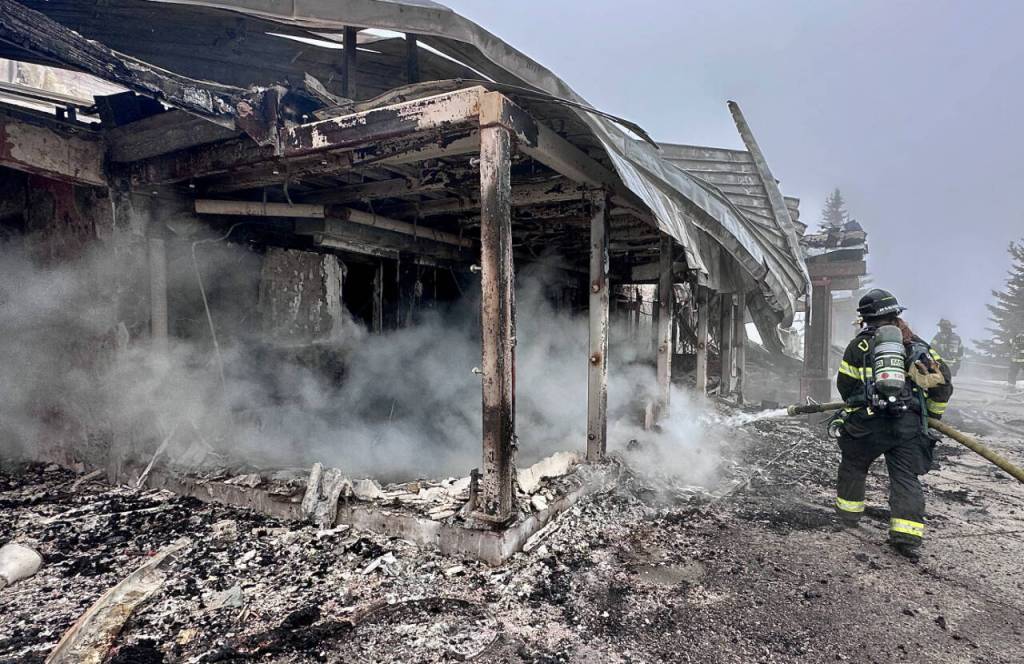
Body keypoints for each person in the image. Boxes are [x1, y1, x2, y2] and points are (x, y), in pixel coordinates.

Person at [832, 289, 953, 560]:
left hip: (867, 423)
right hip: (906, 425)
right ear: (896, 315)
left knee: (853, 464)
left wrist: (855, 407)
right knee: (905, 477)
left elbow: (845, 385)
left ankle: (848, 518)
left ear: (865, 318)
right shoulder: (917, 346)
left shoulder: (859, 346)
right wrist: (933, 417)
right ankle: (907, 536)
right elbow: (942, 384)